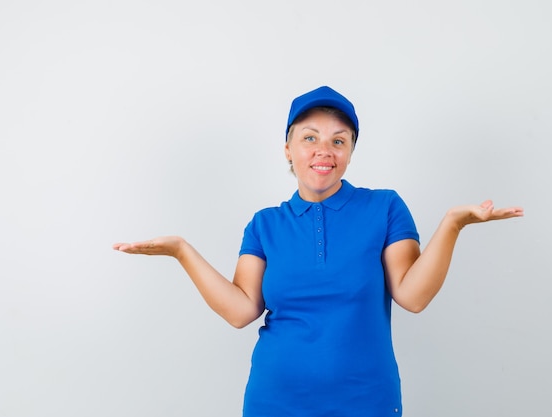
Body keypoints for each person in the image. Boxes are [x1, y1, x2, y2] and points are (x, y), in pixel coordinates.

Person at [113, 86, 524, 416]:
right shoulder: (265, 224)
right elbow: (241, 310)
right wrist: (182, 251)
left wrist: (452, 224)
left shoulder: (384, 207)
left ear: (349, 152)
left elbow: (412, 296)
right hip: (275, 402)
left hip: (367, 402)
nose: (324, 150)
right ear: (288, 149)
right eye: (309, 137)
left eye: (338, 140)